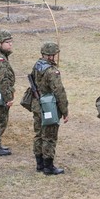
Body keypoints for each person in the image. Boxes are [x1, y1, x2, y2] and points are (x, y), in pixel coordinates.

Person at [31, 42, 68, 175]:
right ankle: (48, 166)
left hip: (37, 105)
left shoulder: (37, 66)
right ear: (51, 55)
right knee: (50, 136)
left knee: (39, 134)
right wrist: (65, 111)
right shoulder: (52, 71)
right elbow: (59, 92)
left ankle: (39, 164)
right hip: (49, 106)